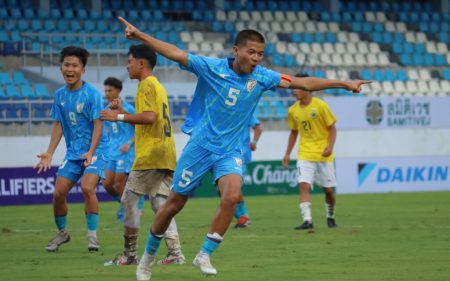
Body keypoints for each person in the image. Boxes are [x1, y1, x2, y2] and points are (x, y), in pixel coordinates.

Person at [117, 16, 370, 281]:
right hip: (200, 147)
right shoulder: (212, 68)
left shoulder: (264, 77)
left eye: (261, 53)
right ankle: (146, 260)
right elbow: (176, 54)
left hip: (231, 150)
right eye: (251, 52)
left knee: (231, 195)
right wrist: (140, 35)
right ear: (236, 51)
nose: (257, 58)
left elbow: (302, 83)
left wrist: (345, 84)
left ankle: (204, 254)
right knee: (173, 205)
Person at [100, 44, 185, 266]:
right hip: (166, 152)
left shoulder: (145, 85)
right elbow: (149, 119)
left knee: (128, 201)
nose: (126, 66)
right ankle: (175, 252)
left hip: (151, 154)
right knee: (159, 204)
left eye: (129, 61)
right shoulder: (157, 85)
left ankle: (129, 255)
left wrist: (116, 117)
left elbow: (149, 118)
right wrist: (124, 112)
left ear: (140, 63)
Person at [35, 46, 108, 252]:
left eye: (75, 65)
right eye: (66, 64)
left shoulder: (92, 94)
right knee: (58, 194)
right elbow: (58, 124)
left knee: (87, 187)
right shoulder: (59, 96)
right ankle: (62, 233)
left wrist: (91, 152)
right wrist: (49, 152)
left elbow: (98, 125)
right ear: (61, 68)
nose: (70, 68)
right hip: (73, 154)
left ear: (82, 70)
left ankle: (92, 236)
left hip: (96, 151)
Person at [282, 73, 338, 231]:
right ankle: (307, 220)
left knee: (328, 190)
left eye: (297, 87)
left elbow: (332, 128)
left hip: (323, 155)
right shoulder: (292, 110)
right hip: (305, 154)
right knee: (303, 186)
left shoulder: (320, 106)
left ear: (307, 88)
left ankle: (330, 216)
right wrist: (287, 153)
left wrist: (330, 146)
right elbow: (293, 132)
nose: (294, 91)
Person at [101, 77, 140, 222]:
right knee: (106, 184)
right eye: (105, 90)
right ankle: (127, 204)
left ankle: (126, 210)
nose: (107, 93)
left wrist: (129, 143)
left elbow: (139, 128)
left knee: (119, 183)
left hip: (126, 150)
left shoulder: (128, 108)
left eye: (109, 90)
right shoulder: (105, 110)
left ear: (117, 91)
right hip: (112, 151)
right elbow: (108, 131)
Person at [233, 115, 262, 228]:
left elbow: (258, 127)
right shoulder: (223, 110)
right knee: (221, 189)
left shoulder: (245, 109)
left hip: (241, 154)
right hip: (224, 154)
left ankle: (244, 217)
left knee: (234, 186)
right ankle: (240, 217)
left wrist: (254, 142)